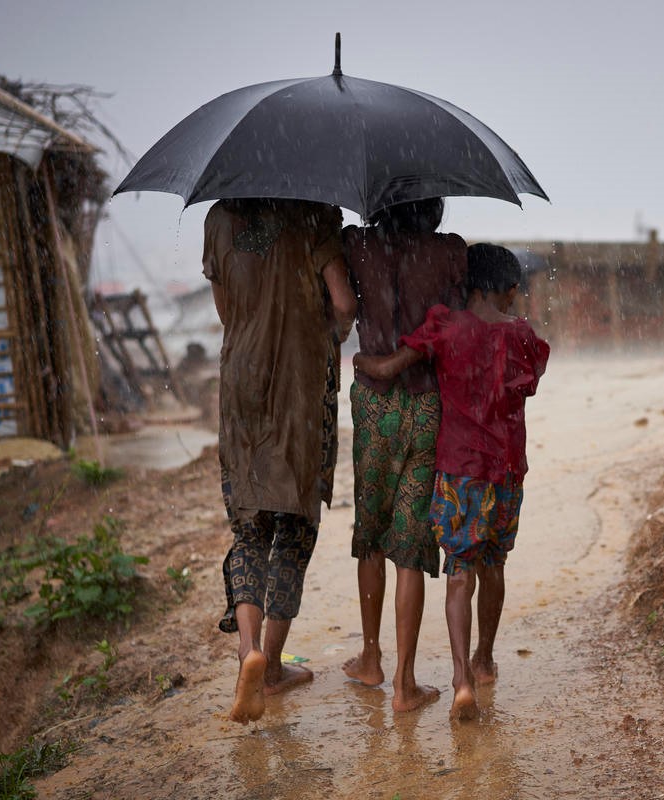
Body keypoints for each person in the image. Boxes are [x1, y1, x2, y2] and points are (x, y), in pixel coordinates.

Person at [355, 243, 549, 720]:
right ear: (509, 290)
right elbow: (529, 381)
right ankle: (484, 659)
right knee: (494, 566)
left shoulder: (446, 325)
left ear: (467, 284)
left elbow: (390, 367)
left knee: (459, 573)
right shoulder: (522, 335)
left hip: (459, 472)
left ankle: (461, 679)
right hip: (506, 472)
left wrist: (362, 362)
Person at [203, 198, 357, 724]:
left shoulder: (219, 219)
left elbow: (227, 312)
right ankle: (270, 668)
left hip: (242, 382)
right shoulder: (313, 213)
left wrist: (257, 326)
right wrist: (326, 331)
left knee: (250, 529)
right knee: (293, 527)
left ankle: (248, 651)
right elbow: (343, 303)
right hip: (301, 383)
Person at [342, 197, 466, 712]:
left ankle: (371, 657)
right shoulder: (450, 253)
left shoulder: (357, 244)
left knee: (371, 529)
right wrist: (405, 359)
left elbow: (339, 310)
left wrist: (379, 361)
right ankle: (404, 683)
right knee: (412, 541)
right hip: (426, 402)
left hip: (373, 403)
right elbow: (449, 326)